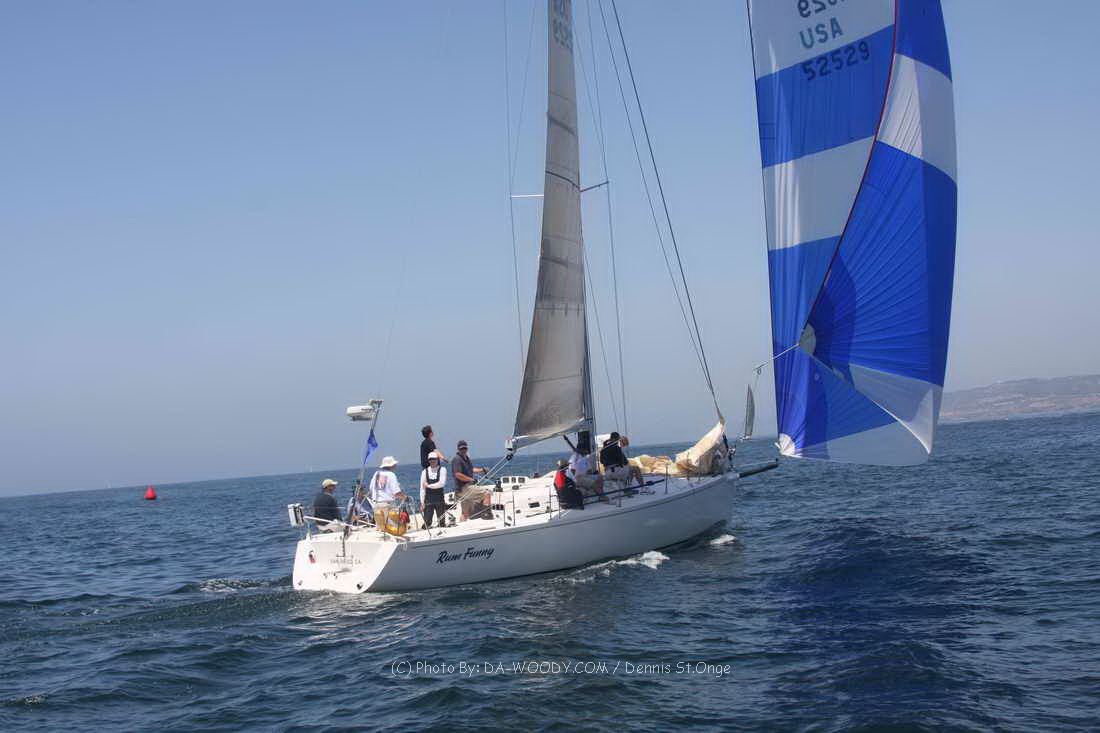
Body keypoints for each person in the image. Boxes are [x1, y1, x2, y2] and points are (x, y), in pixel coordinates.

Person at [451, 439, 489, 520]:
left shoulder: (466, 458)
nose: (463, 450)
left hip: (464, 489)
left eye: (464, 448)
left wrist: (482, 470)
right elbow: (457, 474)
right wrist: (471, 479)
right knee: (486, 493)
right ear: (458, 449)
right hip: (463, 488)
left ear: (467, 448)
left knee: (465, 514)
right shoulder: (457, 459)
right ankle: (487, 516)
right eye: (461, 449)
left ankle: (462, 525)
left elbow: (471, 470)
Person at [420, 450, 449, 529]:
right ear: (428, 460)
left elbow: (441, 483)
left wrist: (428, 486)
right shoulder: (424, 472)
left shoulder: (442, 469)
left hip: (439, 499)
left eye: (434, 459)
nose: (432, 461)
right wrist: (422, 502)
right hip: (428, 500)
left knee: (441, 522)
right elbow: (422, 488)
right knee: (427, 523)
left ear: (437, 459)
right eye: (430, 459)